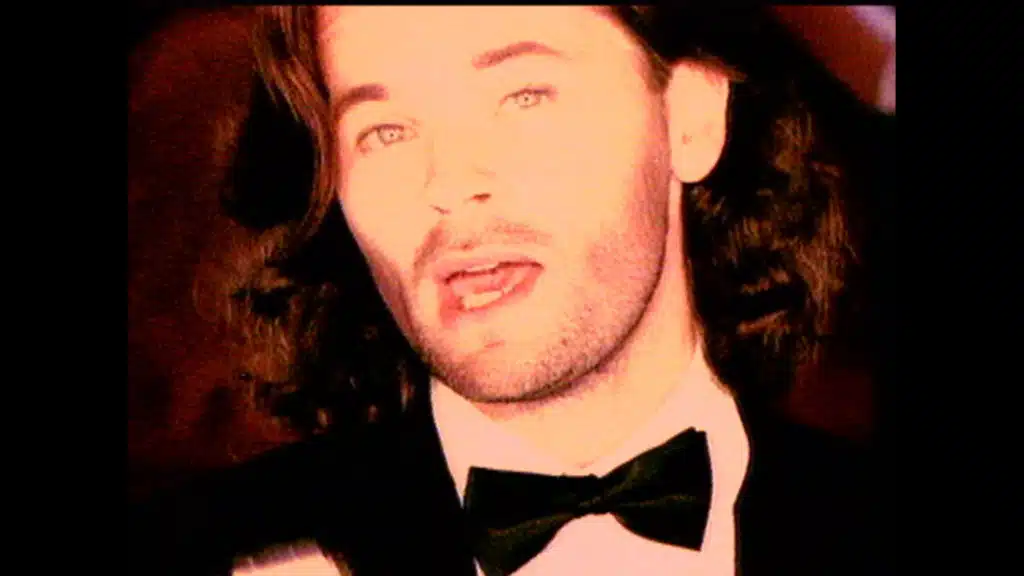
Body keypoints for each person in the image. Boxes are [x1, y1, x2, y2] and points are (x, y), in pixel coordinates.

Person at [130, 5, 874, 575]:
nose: (450, 183)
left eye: (524, 97)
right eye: (385, 131)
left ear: (691, 121)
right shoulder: (197, 551)